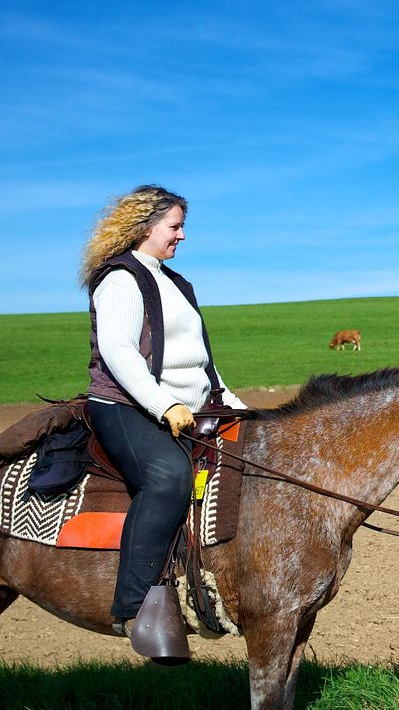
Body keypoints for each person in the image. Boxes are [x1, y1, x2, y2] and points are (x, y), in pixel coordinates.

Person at [80, 184, 246, 648]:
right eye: (175, 226)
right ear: (146, 227)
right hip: (127, 407)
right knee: (169, 478)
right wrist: (164, 405)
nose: (182, 236)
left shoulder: (175, 283)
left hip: (190, 411)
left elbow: (199, 361)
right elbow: (118, 351)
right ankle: (132, 608)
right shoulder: (120, 279)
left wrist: (235, 405)